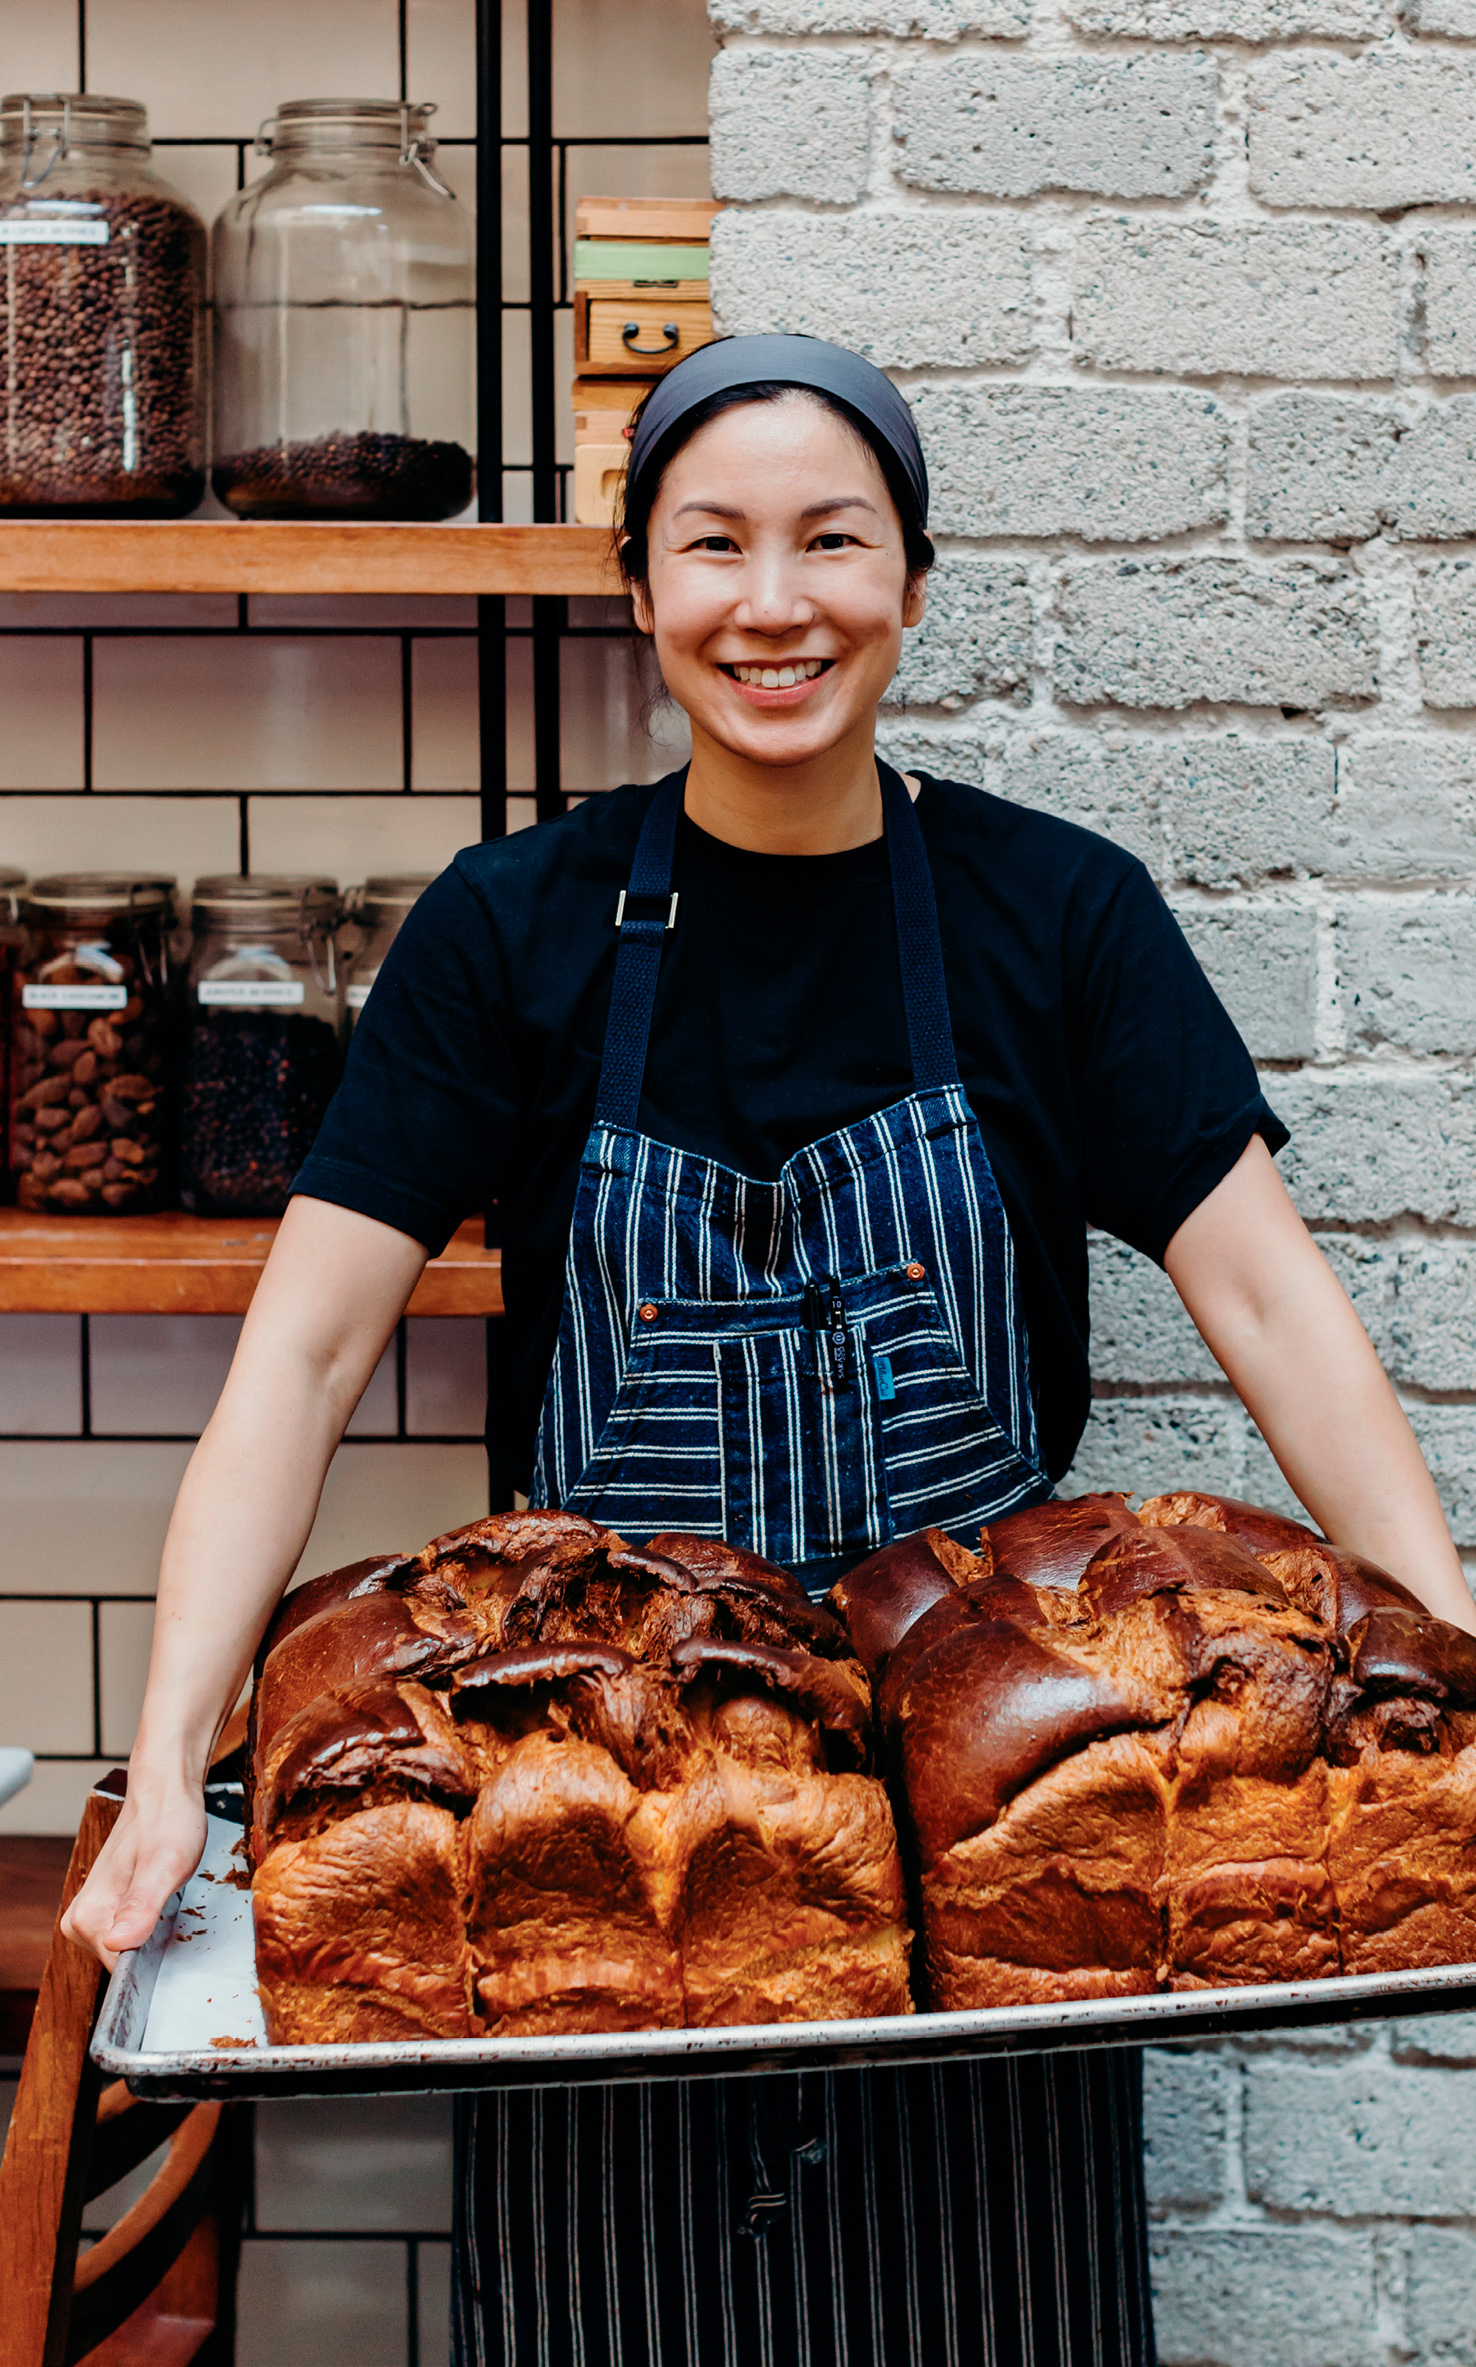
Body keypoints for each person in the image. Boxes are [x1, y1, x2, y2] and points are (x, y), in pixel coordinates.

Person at [65, 334, 1475, 2367]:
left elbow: (1267, 1303)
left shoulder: (1055, 915)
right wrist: (158, 1772)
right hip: (586, 1844)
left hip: (1001, 1847)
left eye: (832, 538)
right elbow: (298, 1360)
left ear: (911, 575)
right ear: (639, 585)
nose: (773, 599)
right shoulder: (512, 927)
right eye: (713, 543)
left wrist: (1443, 1665)